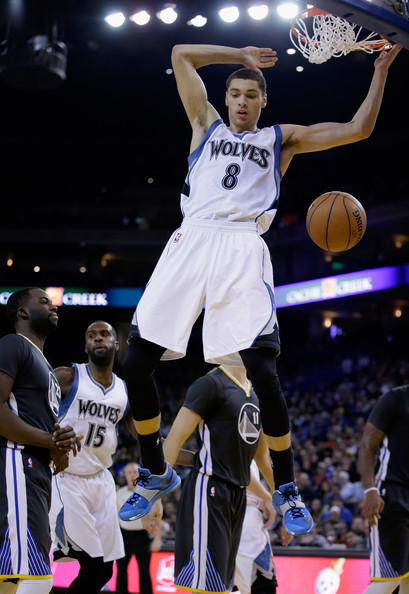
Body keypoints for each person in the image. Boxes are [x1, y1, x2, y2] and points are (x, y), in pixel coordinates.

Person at [119, 41, 402, 535]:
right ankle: (154, 470)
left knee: (263, 373)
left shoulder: (280, 140)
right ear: (226, 98)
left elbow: (358, 128)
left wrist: (379, 71)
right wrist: (238, 54)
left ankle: (287, 488)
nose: (242, 102)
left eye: (251, 95)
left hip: (242, 246)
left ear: (263, 101)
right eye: (235, 93)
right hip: (191, 239)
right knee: (136, 363)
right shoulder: (205, 124)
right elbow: (181, 54)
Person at [161, 365, 291, 593]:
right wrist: (154, 495)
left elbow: (262, 458)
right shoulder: (211, 384)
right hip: (210, 487)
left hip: (239, 497)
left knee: (226, 586)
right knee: (210, 586)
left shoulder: (254, 395)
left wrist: (288, 504)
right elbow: (174, 439)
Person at [0, 287, 80, 594]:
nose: (53, 306)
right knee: (36, 577)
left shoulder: (45, 364)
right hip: (16, 460)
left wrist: (59, 445)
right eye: (44, 301)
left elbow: (38, 422)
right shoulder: (14, 345)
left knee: (10, 578)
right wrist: (50, 441)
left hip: (35, 469)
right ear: (23, 311)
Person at [50, 321, 137, 594]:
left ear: (116, 344)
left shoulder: (124, 390)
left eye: (105, 334)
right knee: (90, 561)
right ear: (85, 346)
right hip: (66, 477)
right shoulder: (66, 376)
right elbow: (33, 412)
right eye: (92, 336)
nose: (99, 339)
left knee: (104, 570)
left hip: (101, 480)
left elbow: (145, 436)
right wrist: (50, 439)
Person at [358, 383, 409, 593]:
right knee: (388, 580)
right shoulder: (396, 398)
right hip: (392, 492)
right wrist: (370, 490)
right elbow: (367, 445)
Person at [234, 460, 278, 594]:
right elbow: (239, 466)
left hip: (244, 513)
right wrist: (266, 496)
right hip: (236, 516)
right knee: (262, 585)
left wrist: (267, 494)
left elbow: (261, 459)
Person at [115, 461, 155, 594]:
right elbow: (114, 517)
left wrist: (157, 539)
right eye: (130, 472)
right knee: (121, 570)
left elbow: (156, 517)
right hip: (124, 537)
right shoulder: (119, 494)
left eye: (135, 472)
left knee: (144, 571)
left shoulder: (148, 493)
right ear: (125, 475)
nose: (132, 475)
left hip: (142, 537)